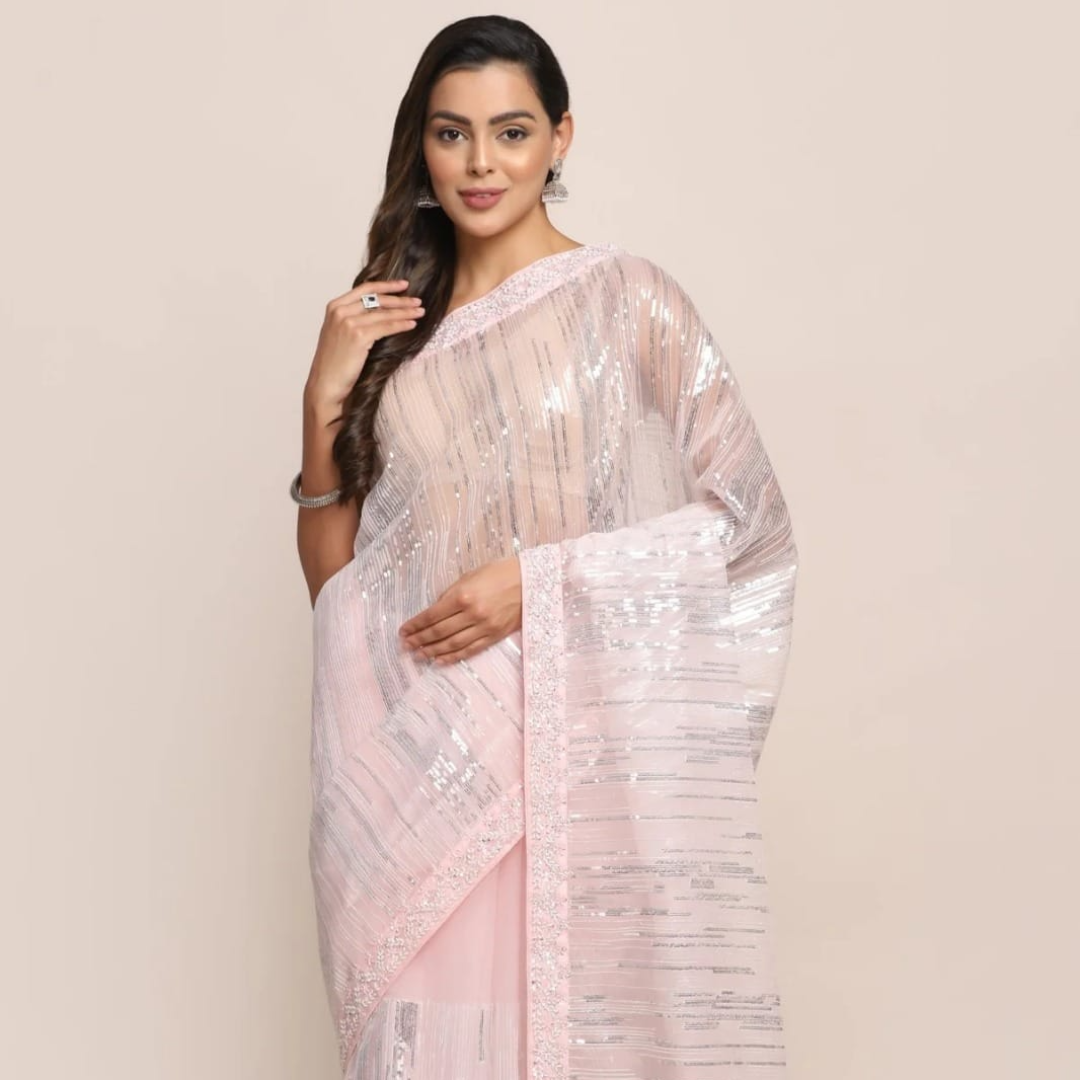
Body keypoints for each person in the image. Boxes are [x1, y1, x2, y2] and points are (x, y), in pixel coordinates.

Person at [293, 14, 799, 1080]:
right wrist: (322, 396)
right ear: (422, 144)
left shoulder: (629, 298)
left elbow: (747, 523)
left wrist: (543, 583)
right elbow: (338, 594)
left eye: (512, 132)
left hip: (565, 760)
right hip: (416, 778)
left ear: (560, 137)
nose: (481, 163)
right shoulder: (393, 333)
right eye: (453, 133)